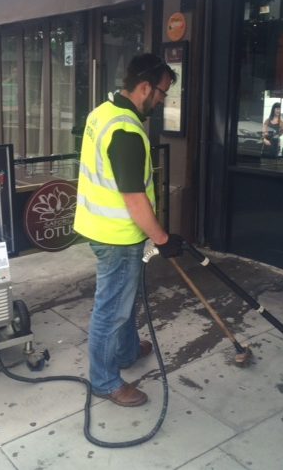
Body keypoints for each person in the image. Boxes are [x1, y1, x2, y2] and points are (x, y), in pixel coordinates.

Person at [74, 53, 184, 407]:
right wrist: (163, 239)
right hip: (117, 236)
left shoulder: (101, 113)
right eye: (161, 93)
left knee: (123, 299)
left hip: (98, 226)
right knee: (112, 309)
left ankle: (126, 350)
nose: (161, 101)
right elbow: (135, 199)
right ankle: (106, 381)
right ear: (144, 87)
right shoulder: (126, 131)